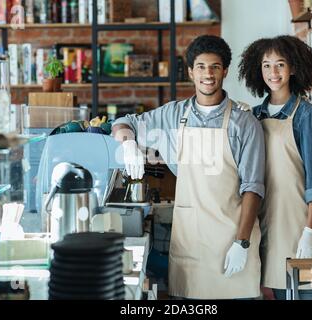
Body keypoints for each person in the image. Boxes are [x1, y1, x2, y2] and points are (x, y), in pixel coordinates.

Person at [112, 35, 265, 299]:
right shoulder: (172, 115)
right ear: (192, 72)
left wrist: (241, 242)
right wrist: (128, 144)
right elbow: (124, 122)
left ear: (225, 71)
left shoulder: (245, 123)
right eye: (202, 67)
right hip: (190, 244)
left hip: (232, 239)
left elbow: (253, 188)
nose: (208, 74)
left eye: (215, 67)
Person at [238, 35, 312, 300]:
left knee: (308, 293)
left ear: (293, 68)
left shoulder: (305, 114)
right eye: (266, 65)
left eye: (280, 64)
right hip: (266, 223)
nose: (273, 72)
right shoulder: (252, 116)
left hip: (300, 223)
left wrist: (310, 232)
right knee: (277, 292)